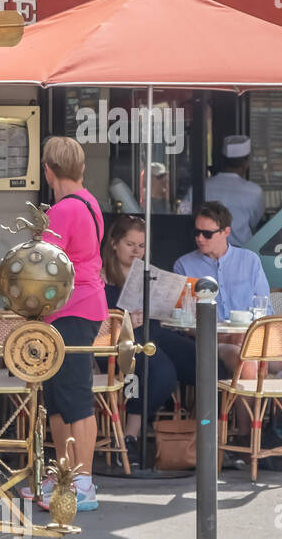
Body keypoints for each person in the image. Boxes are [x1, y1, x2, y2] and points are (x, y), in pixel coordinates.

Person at [174, 202, 282, 467]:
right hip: (217, 342)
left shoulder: (248, 260)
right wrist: (226, 335)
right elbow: (183, 321)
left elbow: (265, 309)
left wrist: (252, 332)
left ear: (226, 232)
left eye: (207, 233)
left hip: (256, 339)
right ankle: (247, 441)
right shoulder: (184, 265)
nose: (199, 238)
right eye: (197, 233)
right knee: (244, 357)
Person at [34, 136, 105, 512]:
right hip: (82, 306)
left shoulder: (62, 211)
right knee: (60, 397)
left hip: (71, 309)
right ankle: (63, 477)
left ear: (48, 170)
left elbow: (42, 265)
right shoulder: (90, 202)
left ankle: (83, 483)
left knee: (74, 397)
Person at [101, 215, 196, 466]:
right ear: (114, 244)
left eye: (141, 246)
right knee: (161, 371)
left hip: (156, 333)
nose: (136, 251)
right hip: (118, 344)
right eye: (130, 244)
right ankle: (130, 437)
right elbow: (96, 324)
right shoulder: (99, 277)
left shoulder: (147, 273)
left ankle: (200, 435)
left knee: (205, 362)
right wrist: (125, 319)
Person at [204, 135, 265, 246]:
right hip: (241, 251)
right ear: (245, 163)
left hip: (208, 251)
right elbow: (254, 222)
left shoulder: (204, 186)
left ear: (222, 160)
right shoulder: (254, 191)